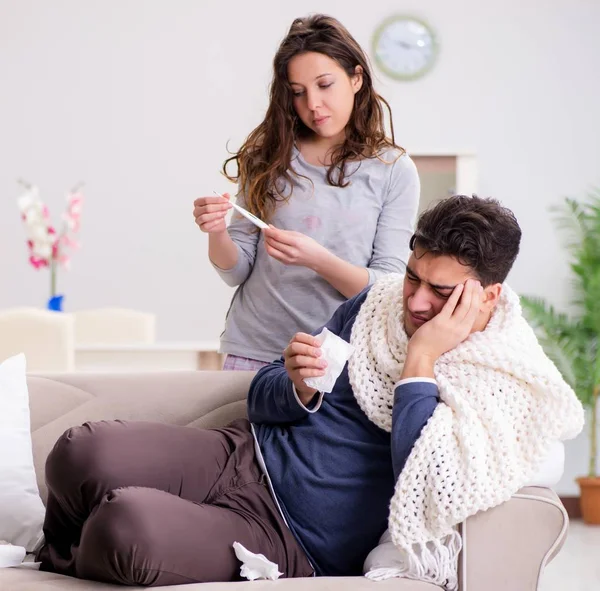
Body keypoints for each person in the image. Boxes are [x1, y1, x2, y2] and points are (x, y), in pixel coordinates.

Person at [37, 195, 583, 587]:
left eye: (440, 292)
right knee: (80, 451)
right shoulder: (374, 308)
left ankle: (84, 543)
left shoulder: (501, 378)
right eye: (414, 277)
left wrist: (422, 359)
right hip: (242, 454)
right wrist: (296, 385)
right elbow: (265, 391)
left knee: (124, 527)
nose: (414, 302)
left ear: (487, 297)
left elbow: (424, 476)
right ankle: (53, 551)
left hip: (288, 538)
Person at [193, 14, 420, 370]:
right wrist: (216, 231)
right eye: (298, 92)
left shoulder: (394, 170)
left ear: (356, 78)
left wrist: (318, 259)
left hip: (337, 356)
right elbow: (235, 272)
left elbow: (387, 290)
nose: (312, 103)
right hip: (254, 351)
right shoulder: (267, 158)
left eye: (324, 85)